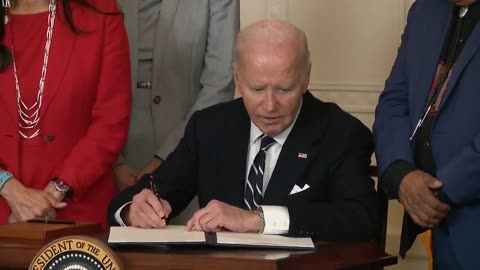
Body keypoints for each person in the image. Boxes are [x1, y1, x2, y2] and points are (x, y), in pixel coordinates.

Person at [108, 19, 378, 241]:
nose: (270, 105)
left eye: (284, 89)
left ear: (306, 77)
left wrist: (257, 220)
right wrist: (134, 210)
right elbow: (139, 196)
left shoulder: (342, 133)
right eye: (257, 89)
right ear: (237, 78)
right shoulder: (211, 127)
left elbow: (360, 218)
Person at [0, 0, 131, 231]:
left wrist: (56, 193)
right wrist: (10, 189)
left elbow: (111, 121)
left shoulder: (100, 12)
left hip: (77, 216)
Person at [373, 0, 480, 269]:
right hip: (438, 227)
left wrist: (440, 193)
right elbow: (394, 101)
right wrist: (401, 173)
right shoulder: (426, 9)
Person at [113, 0, 239, 193]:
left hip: (186, 148)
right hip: (107, 151)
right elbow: (82, 79)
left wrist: (168, 156)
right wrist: (114, 162)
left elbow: (219, 85)